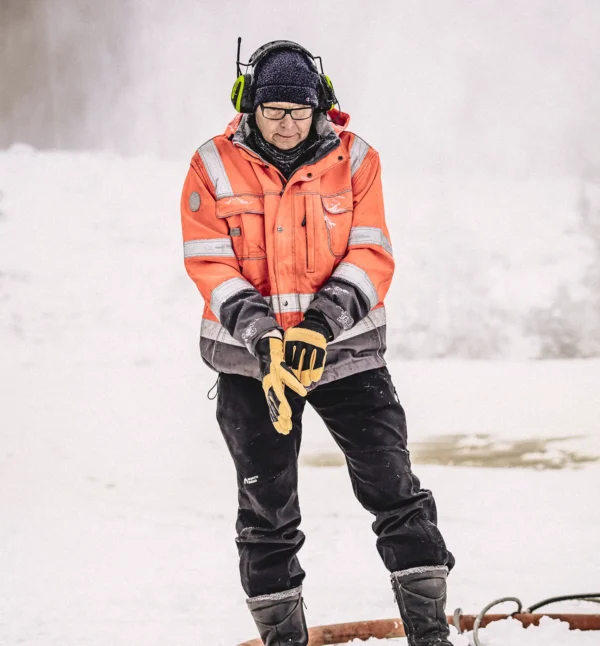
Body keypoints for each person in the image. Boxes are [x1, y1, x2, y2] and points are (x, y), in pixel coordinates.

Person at [180, 39, 455, 646]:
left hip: (348, 357)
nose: (286, 126)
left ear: (321, 107)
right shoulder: (211, 164)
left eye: (299, 114)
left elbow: (370, 253)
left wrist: (317, 328)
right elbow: (209, 261)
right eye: (274, 113)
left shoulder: (357, 160)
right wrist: (264, 339)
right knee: (266, 509)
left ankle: (431, 636)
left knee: (394, 489)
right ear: (248, 105)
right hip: (252, 370)